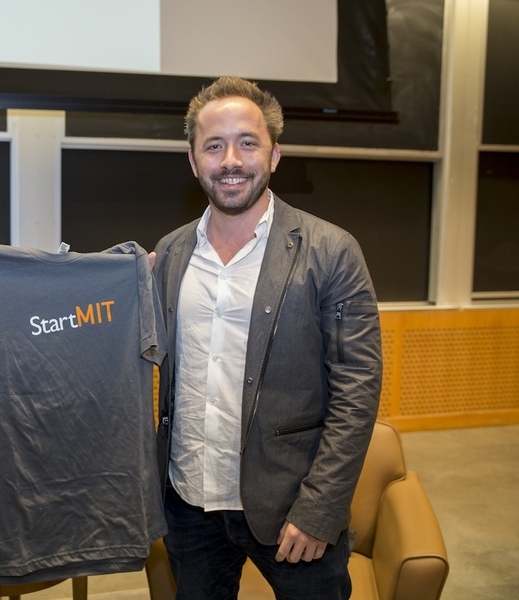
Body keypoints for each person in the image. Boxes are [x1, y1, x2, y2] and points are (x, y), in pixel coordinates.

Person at [152, 76, 382, 599]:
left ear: (275, 155)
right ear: (193, 161)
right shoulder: (167, 255)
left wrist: (321, 509)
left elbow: (357, 391)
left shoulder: (332, 251)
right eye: (214, 145)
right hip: (189, 504)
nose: (230, 159)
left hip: (292, 512)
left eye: (247, 142)